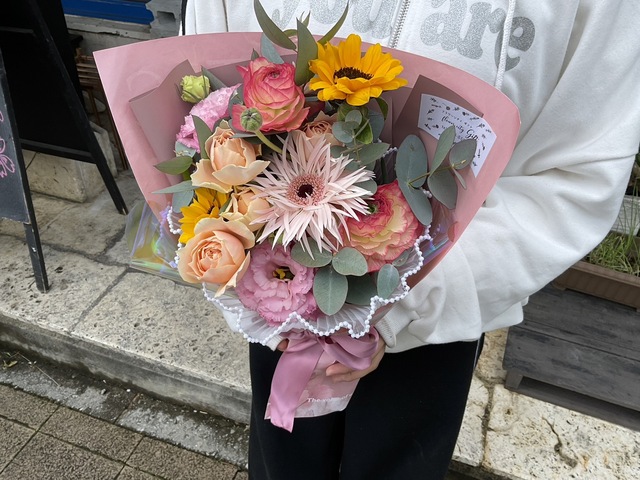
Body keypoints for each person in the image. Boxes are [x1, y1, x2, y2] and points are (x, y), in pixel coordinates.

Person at [180, 1, 640, 479]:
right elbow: (207, 90)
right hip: (281, 288)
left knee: (402, 465)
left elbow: (575, 171)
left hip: (437, 309)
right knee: (283, 463)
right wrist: (245, 272)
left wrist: (405, 306)